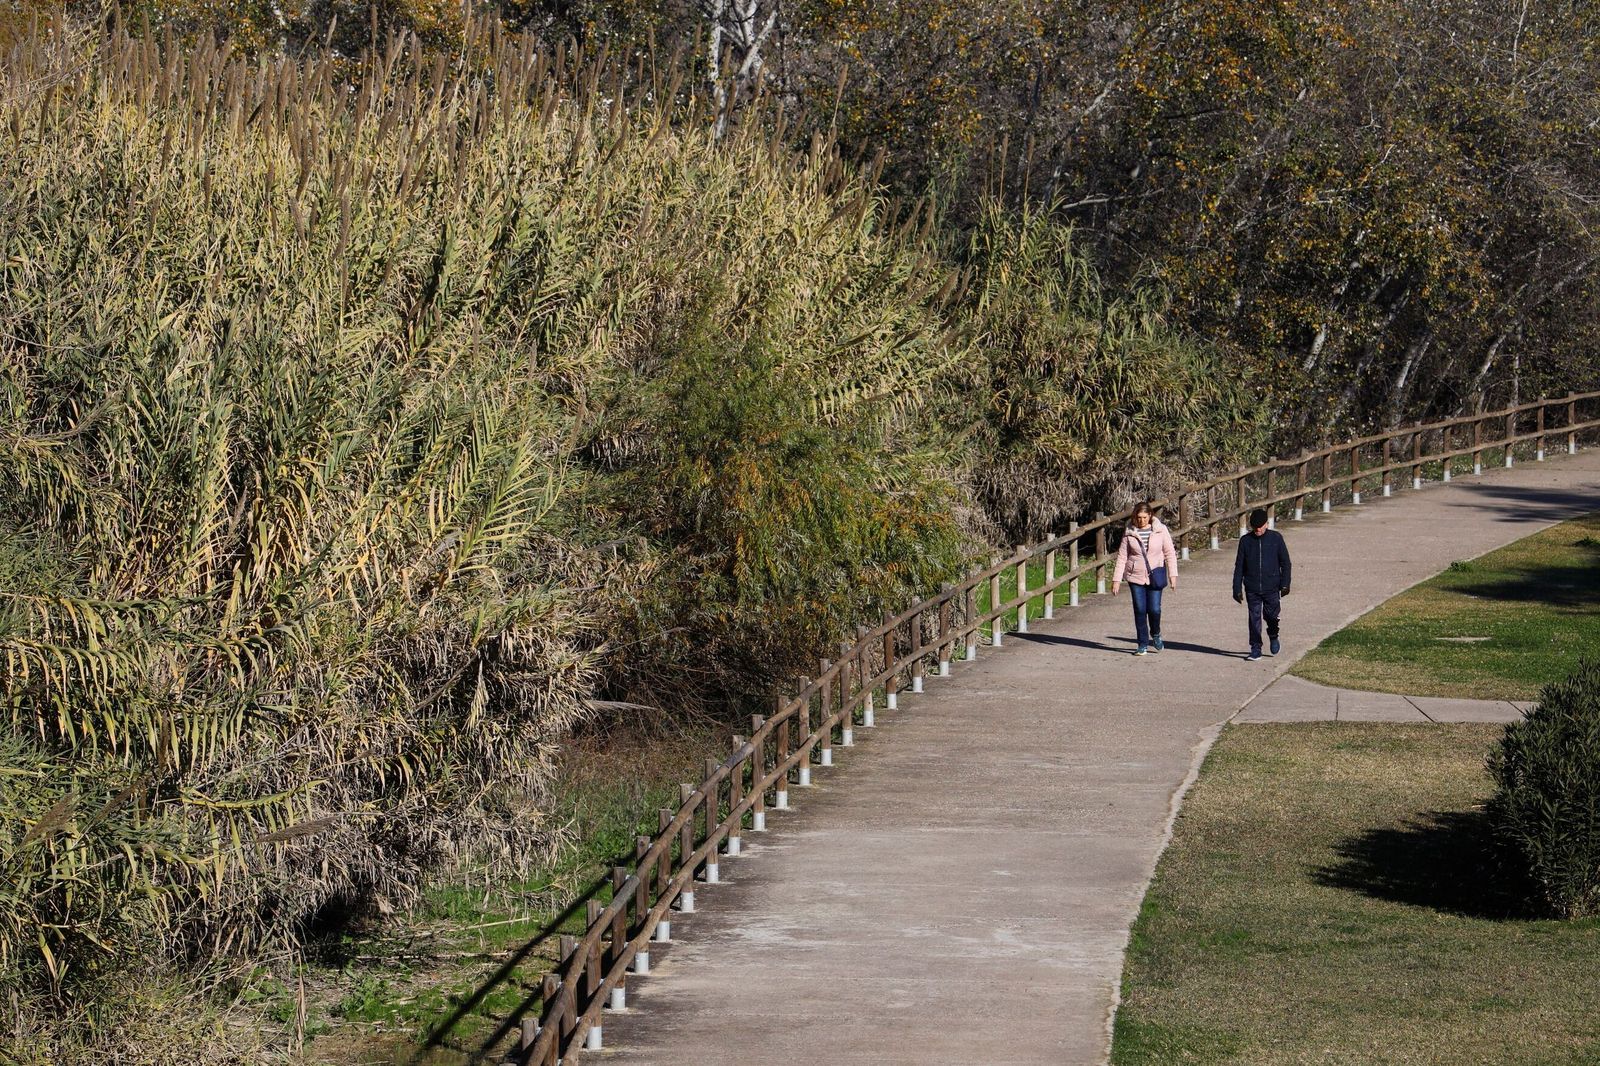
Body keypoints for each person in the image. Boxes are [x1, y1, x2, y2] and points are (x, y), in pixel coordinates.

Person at [1111, 501, 1179, 656]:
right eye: (1138, 517)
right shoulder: (1129, 532)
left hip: (1155, 574)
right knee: (1140, 609)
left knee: (1154, 609)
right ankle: (1142, 643)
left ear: (1150, 516)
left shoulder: (1161, 530)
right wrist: (1116, 580)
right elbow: (1122, 556)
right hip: (1135, 576)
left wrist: (1173, 575)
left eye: (1144, 517)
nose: (1141, 520)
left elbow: (1169, 553)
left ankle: (1155, 633)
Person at [1233, 507, 1292, 661]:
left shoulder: (1276, 539)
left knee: (1271, 616)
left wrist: (1285, 584)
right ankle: (1255, 647)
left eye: (1260, 526)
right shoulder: (1245, 541)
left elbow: (1285, 563)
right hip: (1252, 587)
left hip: (1272, 586)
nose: (1257, 529)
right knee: (1254, 618)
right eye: (1254, 527)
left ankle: (1273, 635)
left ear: (1266, 524)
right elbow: (1239, 566)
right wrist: (1236, 588)